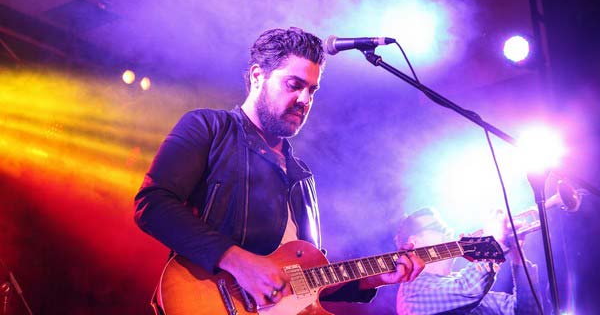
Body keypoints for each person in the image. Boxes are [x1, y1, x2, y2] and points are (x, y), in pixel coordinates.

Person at [134, 27, 425, 314]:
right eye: (294, 85)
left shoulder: (302, 176)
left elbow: (305, 279)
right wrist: (237, 261)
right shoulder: (210, 128)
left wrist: (374, 277)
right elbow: (153, 204)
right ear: (257, 76)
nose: (305, 100)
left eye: (312, 90)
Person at [394, 208, 540, 315]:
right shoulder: (411, 292)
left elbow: (525, 312)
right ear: (414, 242)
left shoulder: (456, 282)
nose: (449, 231)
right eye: (438, 228)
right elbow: (469, 289)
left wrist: (517, 256)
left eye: (446, 227)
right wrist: (492, 241)